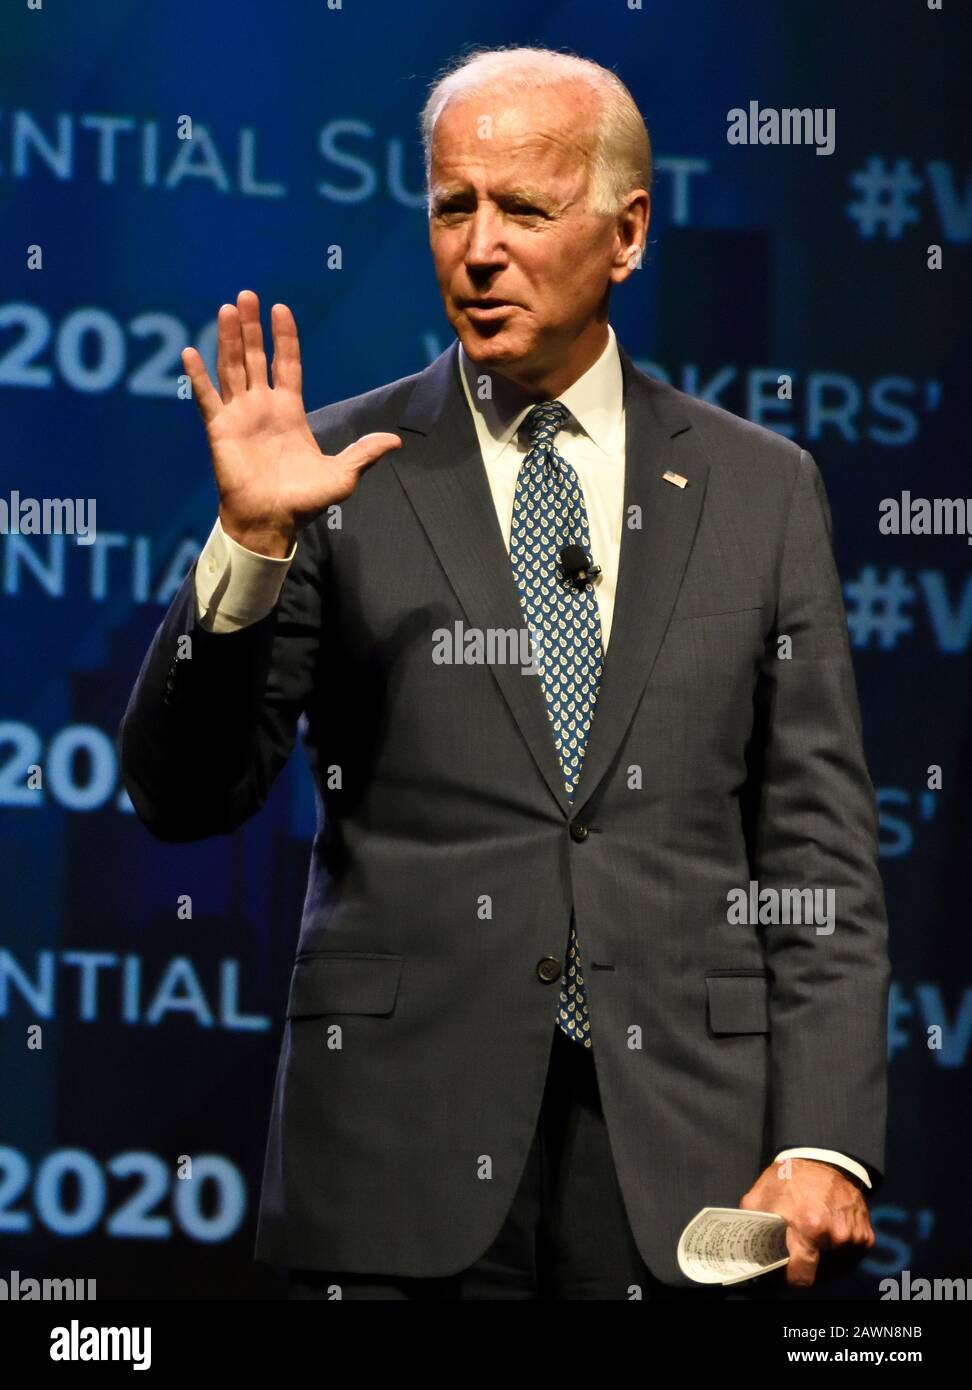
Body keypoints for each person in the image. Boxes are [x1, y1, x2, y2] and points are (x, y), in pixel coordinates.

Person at [119, 46, 890, 1300]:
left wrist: (821, 1140)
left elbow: (816, 853)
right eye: (451, 206)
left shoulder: (761, 489)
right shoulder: (335, 472)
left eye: (524, 210)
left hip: (685, 1159)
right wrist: (250, 540)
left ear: (627, 233)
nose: (479, 249)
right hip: (393, 1154)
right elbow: (183, 793)